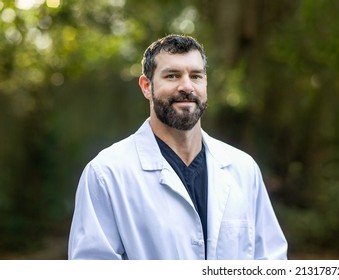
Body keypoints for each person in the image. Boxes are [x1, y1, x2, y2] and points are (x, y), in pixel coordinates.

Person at [68, 34, 288, 260]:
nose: (186, 86)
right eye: (172, 76)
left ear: (205, 84)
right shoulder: (107, 174)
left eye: (196, 76)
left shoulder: (243, 168)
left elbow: (271, 260)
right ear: (146, 86)